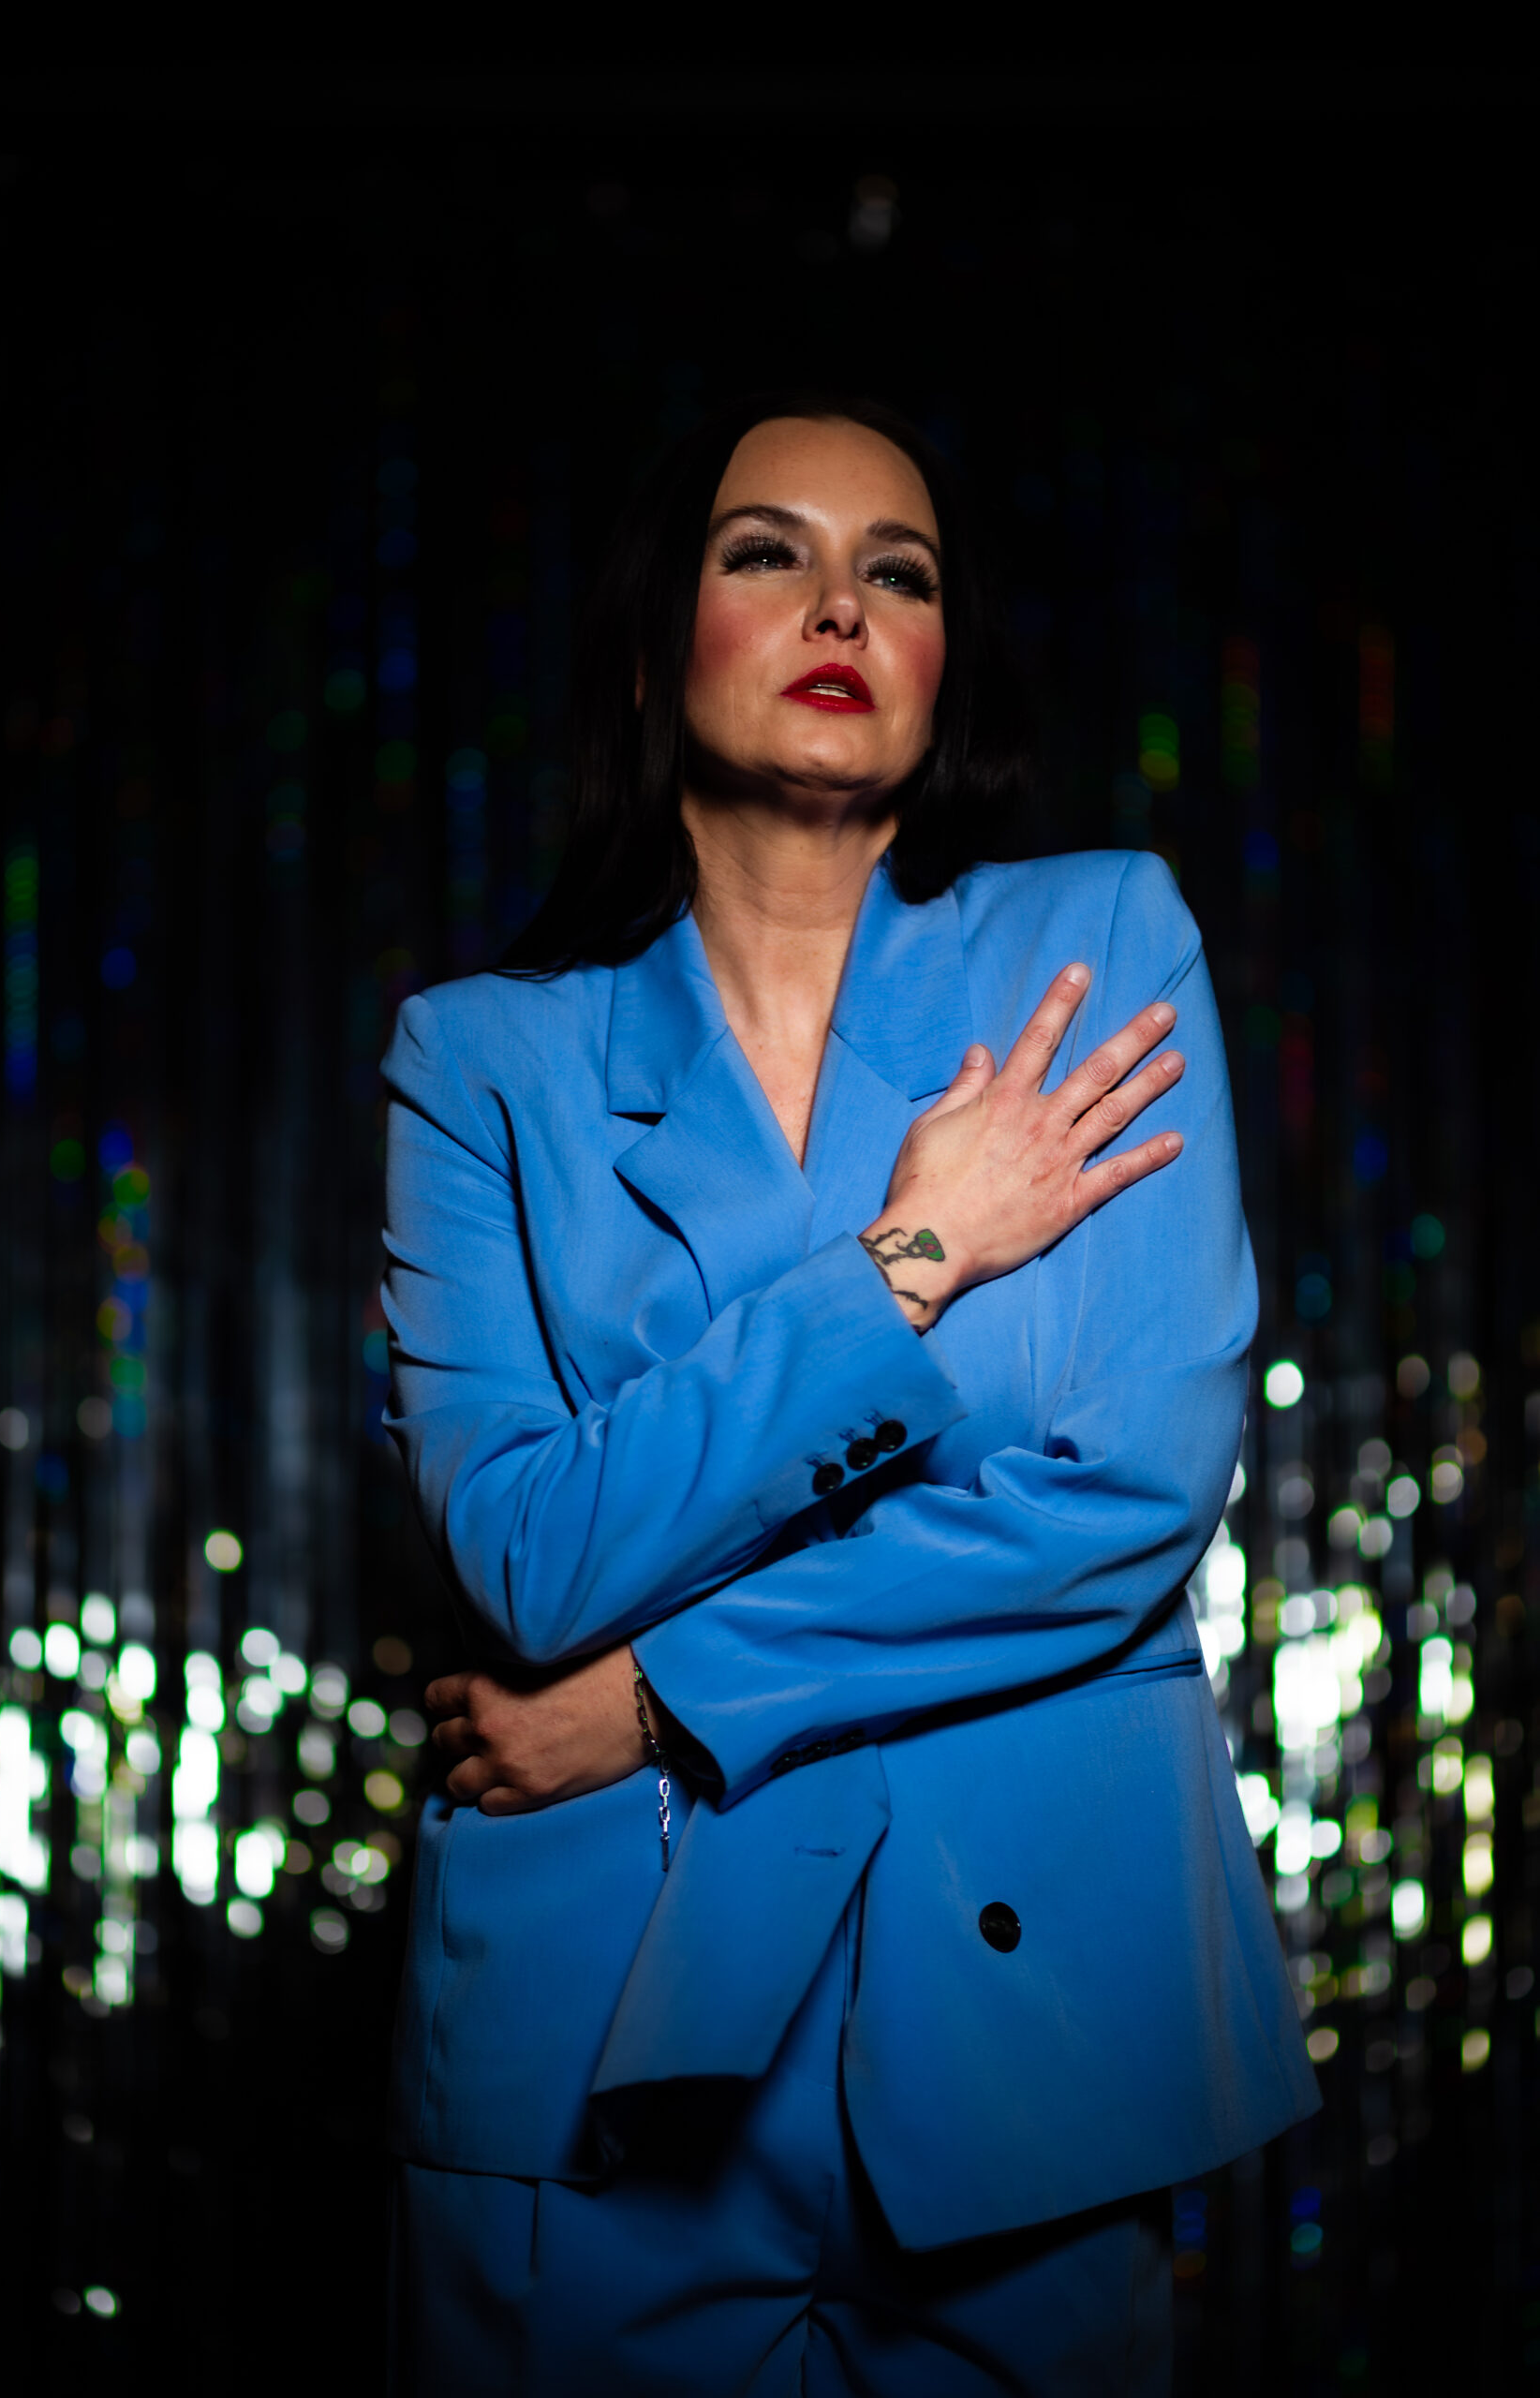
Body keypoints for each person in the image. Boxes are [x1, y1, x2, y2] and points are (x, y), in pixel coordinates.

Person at [380, 392, 1316, 2395]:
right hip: (596, 2016)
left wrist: (655, 1696)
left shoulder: (1096, 948)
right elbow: (529, 1551)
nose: (840, 605)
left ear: (941, 657)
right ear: (656, 648)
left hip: (1025, 2018)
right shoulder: (479, 1066)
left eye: (899, 571)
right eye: (766, 553)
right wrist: (916, 1250)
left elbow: (1127, 1499)